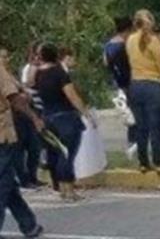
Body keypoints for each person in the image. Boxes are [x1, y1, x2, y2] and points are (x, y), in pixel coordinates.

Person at [35, 42, 93, 202]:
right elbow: (71, 95)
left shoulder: (39, 74)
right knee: (67, 154)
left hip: (48, 117)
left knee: (56, 153)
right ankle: (69, 190)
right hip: (65, 117)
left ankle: (61, 189)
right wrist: (85, 112)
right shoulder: (59, 72)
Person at [0, 52, 45, 237]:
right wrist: (34, 118)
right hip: (2, 136)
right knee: (2, 183)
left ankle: (28, 224)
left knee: (7, 180)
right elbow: (13, 98)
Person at [126, 10, 160, 175]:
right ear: (151, 22)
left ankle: (143, 162)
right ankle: (159, 162)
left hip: (135, 85)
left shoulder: (130, 40)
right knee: (155, 125)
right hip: (153, 86)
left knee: (141, 127)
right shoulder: (153, 41)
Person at [0, 48, 41, 191]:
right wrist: (35, 117)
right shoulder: (2, 75)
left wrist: (24, 94)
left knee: (34, 147)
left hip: (22, 116)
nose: (6, 60)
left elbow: (22, 91)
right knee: (16, 151)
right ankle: (22, 180)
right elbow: (14, 98)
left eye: (6, 57)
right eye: (2, 57)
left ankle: (31, 177)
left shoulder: (9, 75)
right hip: (11, 118)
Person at [103, 16, 137, 159]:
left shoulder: (108, 45)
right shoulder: (127, 44)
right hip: (129, 83)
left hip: (115, 85)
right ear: (128, 30)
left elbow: (105, 63)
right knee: (136, 115)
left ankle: (132, 144)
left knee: (129, 116)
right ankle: (135, 145)